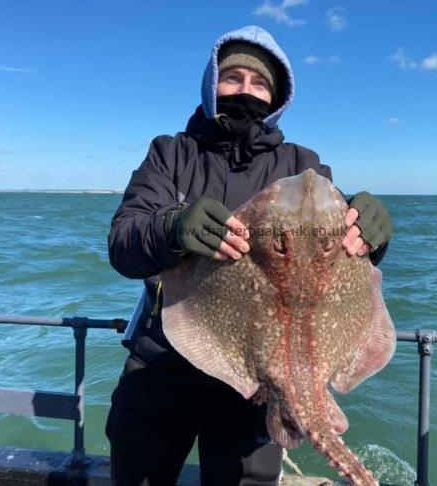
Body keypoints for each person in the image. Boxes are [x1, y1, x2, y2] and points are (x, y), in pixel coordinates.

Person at [105, 25, 392, 486]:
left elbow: (346, 255)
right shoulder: (170, 155)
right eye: (232, 77)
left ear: (278, 98)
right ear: (210, 83)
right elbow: (123, 244)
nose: (246, 90)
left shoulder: (303, 165)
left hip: (261, 392)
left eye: (260, 83)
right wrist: (171, 225)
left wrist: (374, 234)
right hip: (162, 364)